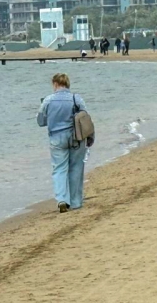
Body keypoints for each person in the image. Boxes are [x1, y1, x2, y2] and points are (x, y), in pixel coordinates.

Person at [37, 73, 94, 213]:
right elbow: (85, 118)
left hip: (56, 138)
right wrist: (91, 136)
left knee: (59, 169)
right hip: (76, 137)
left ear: (55, 84)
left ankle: (62, 200)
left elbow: (40, 121)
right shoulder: (76, 98)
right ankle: (75, 202)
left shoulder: (48, 100)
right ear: (67, 84)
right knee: (76, 168)